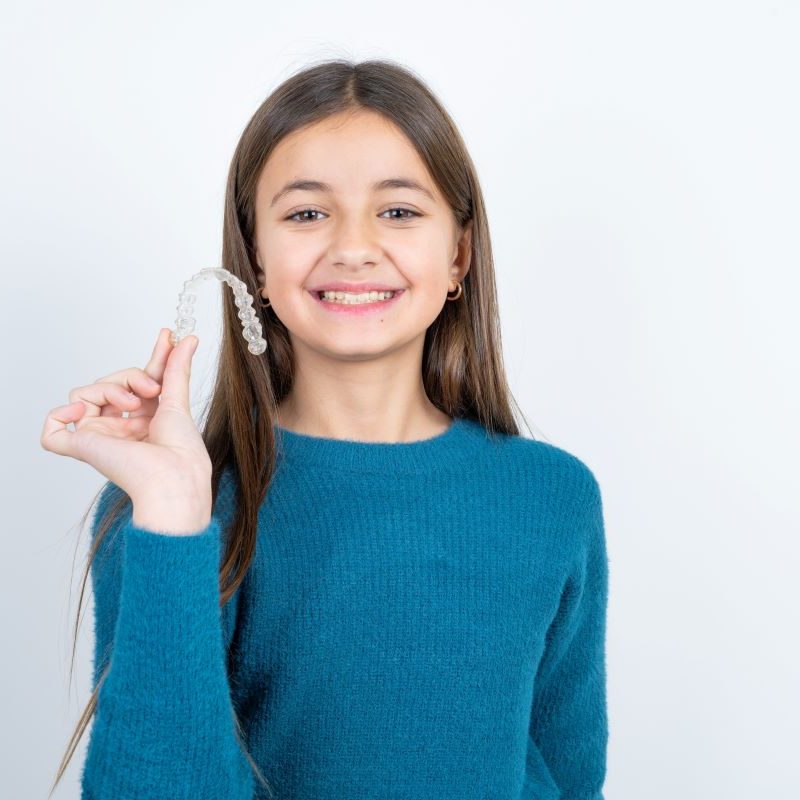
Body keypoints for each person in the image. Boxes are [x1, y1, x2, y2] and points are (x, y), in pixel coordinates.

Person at [41, 58, 609, 800]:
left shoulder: (552, 498)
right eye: (306, 213)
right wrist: (173, 519)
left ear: (459, 256)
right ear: (256, 262)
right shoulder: (171, 506)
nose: (352, 246)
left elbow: (568, 778)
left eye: (398, 211)